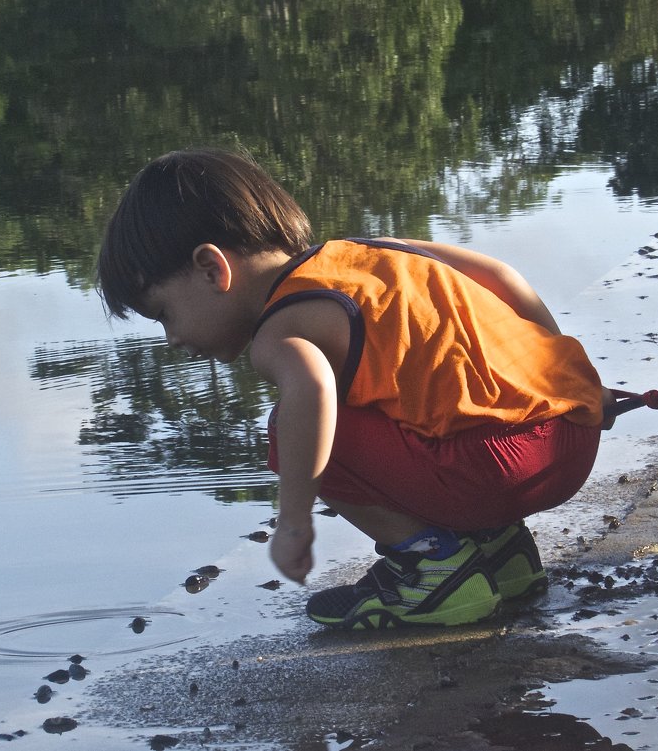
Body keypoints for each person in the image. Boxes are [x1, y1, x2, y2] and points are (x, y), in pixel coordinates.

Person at [96, 148, 612, 630]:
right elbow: (500, 275)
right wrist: (582, 383)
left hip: (500, 470)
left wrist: (294, 521)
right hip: (572, 435)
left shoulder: (280, 329)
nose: (173, 339)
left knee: (290, 428)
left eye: (164, 314)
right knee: (405, 401)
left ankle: (434, 572)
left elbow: (312, 392)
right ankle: (502, 554)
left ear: (213, 269)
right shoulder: (367, 252)